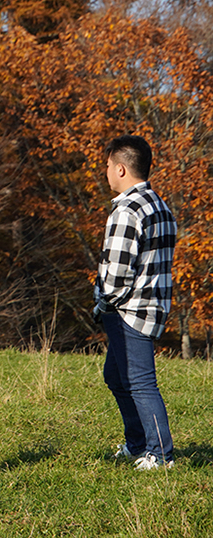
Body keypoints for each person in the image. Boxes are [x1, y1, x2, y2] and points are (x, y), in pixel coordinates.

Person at [94, 135, 176, 470]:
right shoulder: (159, 204)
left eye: (109, 167)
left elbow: (116, 274)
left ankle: (160, 454)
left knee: (141, 383)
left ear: (122, 168)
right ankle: (137, 443)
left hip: (129, 311)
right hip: (153, 304)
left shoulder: (126, 210)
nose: (106, 173)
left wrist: (101, 303)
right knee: (115, 376)